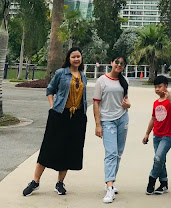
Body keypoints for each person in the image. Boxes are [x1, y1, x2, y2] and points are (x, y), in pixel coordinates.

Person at [22, 46, 88, 197]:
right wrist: (53, 106)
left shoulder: (83, 76)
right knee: (48, 147)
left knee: (68, 150)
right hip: (59, 115)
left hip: (77, 117)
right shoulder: (61, 73)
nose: (76, 59)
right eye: (73, 57)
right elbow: (50, 90)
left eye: (78, 56)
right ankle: (35, 181)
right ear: (69, 59)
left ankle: (60, 183)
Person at [93, 55, 131, 204]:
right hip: (107, 121)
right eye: (116, 62)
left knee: (118, 153)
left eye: (122, 63)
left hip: (122, 119)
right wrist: (98, 124)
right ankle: (109, 188)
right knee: (111, 153)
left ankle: (111, 182)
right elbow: (96, 104)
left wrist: (128, 105)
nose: (119, 65)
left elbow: (126, 100)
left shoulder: (125, 81)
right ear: (111, 63)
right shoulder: (101, 81)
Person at [142, 74, 171, 195]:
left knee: (158, 157)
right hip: (156, 135)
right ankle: (164, 183)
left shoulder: (170, 101)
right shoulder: (156, 103)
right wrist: (147, 133)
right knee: (160, 159)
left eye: (160, 86)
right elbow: (153, 119)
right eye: (155, 87)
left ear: (166, 86)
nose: (157, 89)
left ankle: (151, 180)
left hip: (168, 135)